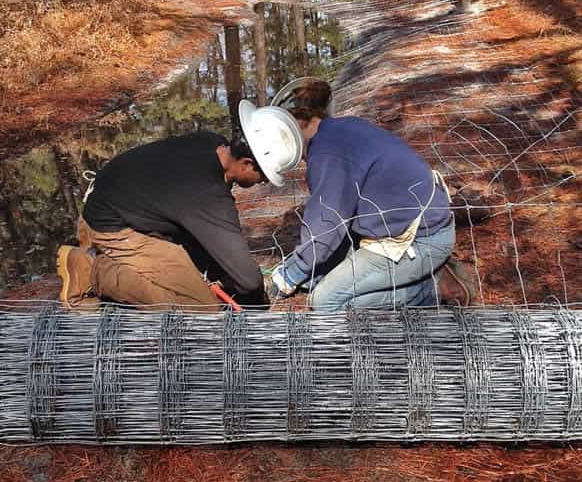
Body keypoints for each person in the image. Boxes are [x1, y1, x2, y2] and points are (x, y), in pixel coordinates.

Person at [255, 79, 468, 311]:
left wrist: (290, 275)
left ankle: (430, 289)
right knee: (324, 275)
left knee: (326, 301)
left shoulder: (328, 155)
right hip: (416, 226)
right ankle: (419, 273)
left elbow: (325, 228)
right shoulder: (341, 128)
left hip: (419, 240)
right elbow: (336, 222)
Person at [57, 116, 302, 312]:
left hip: (114, 199)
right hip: (111, 226)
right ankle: (90, 270)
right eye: (263, 176)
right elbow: (249, 280)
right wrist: (256, 300)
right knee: (200, 307)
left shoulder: (211, 142)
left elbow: (192, 218)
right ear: (247, 163)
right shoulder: (207, 192)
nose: (261, 183)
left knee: (194, 270)